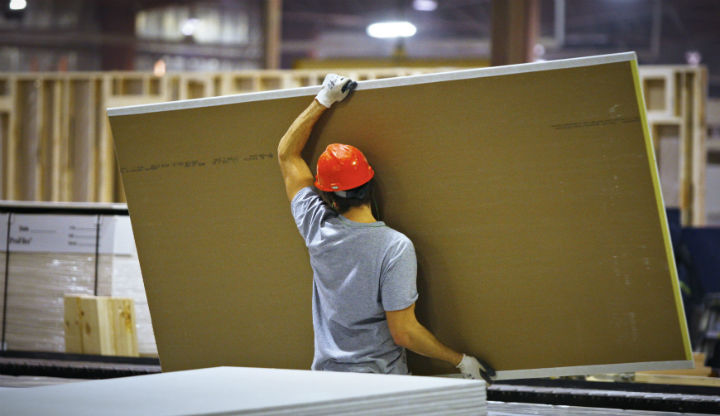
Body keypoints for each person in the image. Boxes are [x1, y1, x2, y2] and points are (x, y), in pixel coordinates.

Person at [277, 74, 494, 382]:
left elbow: (286, 154)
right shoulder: (394, 247)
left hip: (327, 382)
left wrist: (324, 99)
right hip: (381, 385)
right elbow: (404, 333)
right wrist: (460, 360)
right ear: (370, 182)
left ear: (328, 197)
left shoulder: (316, 226)